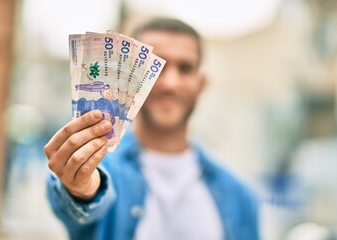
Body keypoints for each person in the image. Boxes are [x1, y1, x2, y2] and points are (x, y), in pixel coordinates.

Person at [45, 18, 259, 240]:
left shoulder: (241, 197)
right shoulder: (99, 168)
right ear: (129, 77)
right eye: (158, 67)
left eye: (185, 68)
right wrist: (81, 188)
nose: (170, 84)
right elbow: (79, 201)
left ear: (201, 83)